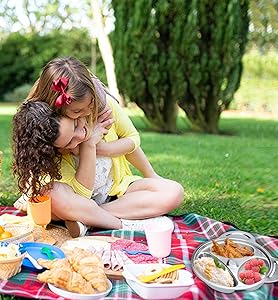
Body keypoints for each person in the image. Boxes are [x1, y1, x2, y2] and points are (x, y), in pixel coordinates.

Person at [12, 101, 184, 237]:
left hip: (117, 194)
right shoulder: (53, 145)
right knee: (51, 193)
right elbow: (82, 197)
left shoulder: (101, 112)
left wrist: (151, 175)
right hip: (78, 201)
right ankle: (124, 224)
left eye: (75, 127)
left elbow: (132, 142)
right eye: (69, 142)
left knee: (174, 191)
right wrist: (89, 145)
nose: (80, 136)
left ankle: (88, 220)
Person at [14, 56, 161, 212]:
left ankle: (95, 215)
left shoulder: (103, 109)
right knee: (53, 200)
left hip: (113, 189)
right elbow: (40, 164)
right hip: (76, 195)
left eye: (90, 104)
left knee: (173, 192)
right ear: (56, 107)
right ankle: (92, 214)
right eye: (77, 112)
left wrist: (97, 147)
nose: (87, 112)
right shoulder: (51, 128)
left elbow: (132, 138)